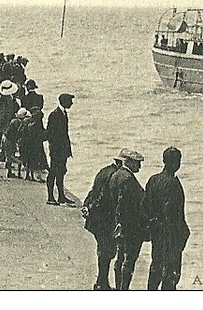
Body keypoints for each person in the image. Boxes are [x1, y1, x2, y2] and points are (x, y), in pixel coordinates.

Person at [143, 147, 190, 290]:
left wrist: (152, 224)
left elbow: (145, 206)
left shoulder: (153, 179)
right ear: (176, 163)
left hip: (157, 231)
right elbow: (172, 213)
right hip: (171, 234)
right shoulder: (172, 183)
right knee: (171, 272)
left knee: (156, 264)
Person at [82, 151, 125, 290]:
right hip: (104, 220)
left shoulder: (104, 171)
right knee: (107, 252)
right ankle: (102, 284)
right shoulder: (115, 176)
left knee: (103, 250)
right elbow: (103, 197)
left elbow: (94, 191)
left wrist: (86, 206)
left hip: (96, 218)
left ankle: (101, 282)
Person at [110, 149, 147, 290]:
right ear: (129, 162)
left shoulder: (116, 175)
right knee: (129, 260)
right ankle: (123, 288)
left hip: (120, 225)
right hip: (130, 227)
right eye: (137, 163)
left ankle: (119, 287)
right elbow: (125, 204)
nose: (139, 166)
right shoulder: (128, 179)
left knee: (120, 258)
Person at [45, 93, 75, 206]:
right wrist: (56, 149)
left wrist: (67, 150)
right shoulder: (55, 115)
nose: (71, 103)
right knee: (53, 172)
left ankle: (61, 196)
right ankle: (51, 196)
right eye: (70, 101)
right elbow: (50, 134)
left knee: (61, 172)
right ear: (64, 102)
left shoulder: (63, 113)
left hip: (62, 150)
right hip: (57, 150)